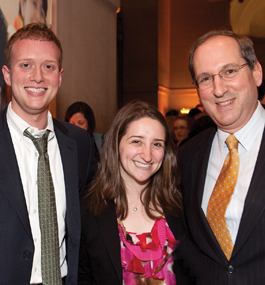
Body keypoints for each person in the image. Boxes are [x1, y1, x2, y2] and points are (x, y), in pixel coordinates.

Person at [0, 23, 96, 285]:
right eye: (26, 65)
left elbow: (90, 224)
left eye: (48, 66)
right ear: (7, 74)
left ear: (60, 77)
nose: (38, 77)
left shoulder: (80, 143)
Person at [176, 29, 265, 284]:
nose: (218, 89)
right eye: (205, 78)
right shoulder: (186, 156)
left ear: (256, 72)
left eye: (229, 71)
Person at [78, 100, 183, 285]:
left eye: (157, 144)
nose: (147, 155)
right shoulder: (88, 211)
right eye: (137, 141)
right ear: (116, 144)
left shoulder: (180, 207)